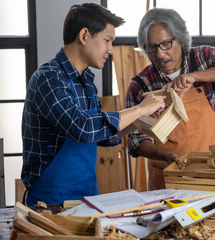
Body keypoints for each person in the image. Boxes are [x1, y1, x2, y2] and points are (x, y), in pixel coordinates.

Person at [21, 3, 166, 206]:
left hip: (87, 197)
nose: (111, 50)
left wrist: (140, 120)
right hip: (50, 201)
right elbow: (83, 128)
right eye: (107, 40)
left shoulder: (86, 80)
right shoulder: (48, 78)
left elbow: (102, 136)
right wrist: (140, 108)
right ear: (84, 35)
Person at [126, 8, 215, 190]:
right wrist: (164, 156)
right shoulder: (140, 84)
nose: (160, 54)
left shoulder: (203, 58)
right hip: (166, 180)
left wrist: (196, 77)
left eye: (166, 44)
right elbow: (136, 142)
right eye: (152, 47)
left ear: (182, 40)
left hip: (211, 174)